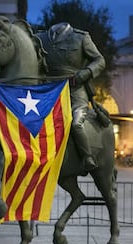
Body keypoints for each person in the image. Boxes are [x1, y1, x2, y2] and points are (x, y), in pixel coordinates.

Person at [38, 22, 106, 171]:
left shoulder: (81, 37)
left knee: (76, 123)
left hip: (75, 88)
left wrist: (87, 72)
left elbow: (100, 61)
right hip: (49, 89)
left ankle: (87, 156)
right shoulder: (40, 38)